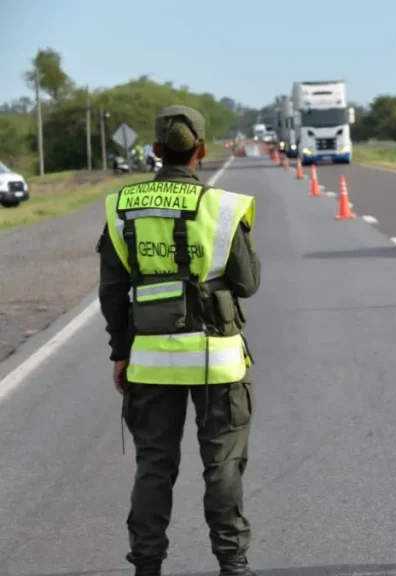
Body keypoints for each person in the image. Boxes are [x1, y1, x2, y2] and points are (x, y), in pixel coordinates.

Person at [96, 105, 261, 576]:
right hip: (218, 363)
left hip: (149, 362)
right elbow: (248, 284)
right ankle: (232, 563)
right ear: (202, 151)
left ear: (154, 150)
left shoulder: (122, 207)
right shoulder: (223, 207)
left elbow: (111, 291)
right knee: (222, 465)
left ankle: (147, 566)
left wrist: (120, 353)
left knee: (154, 466)